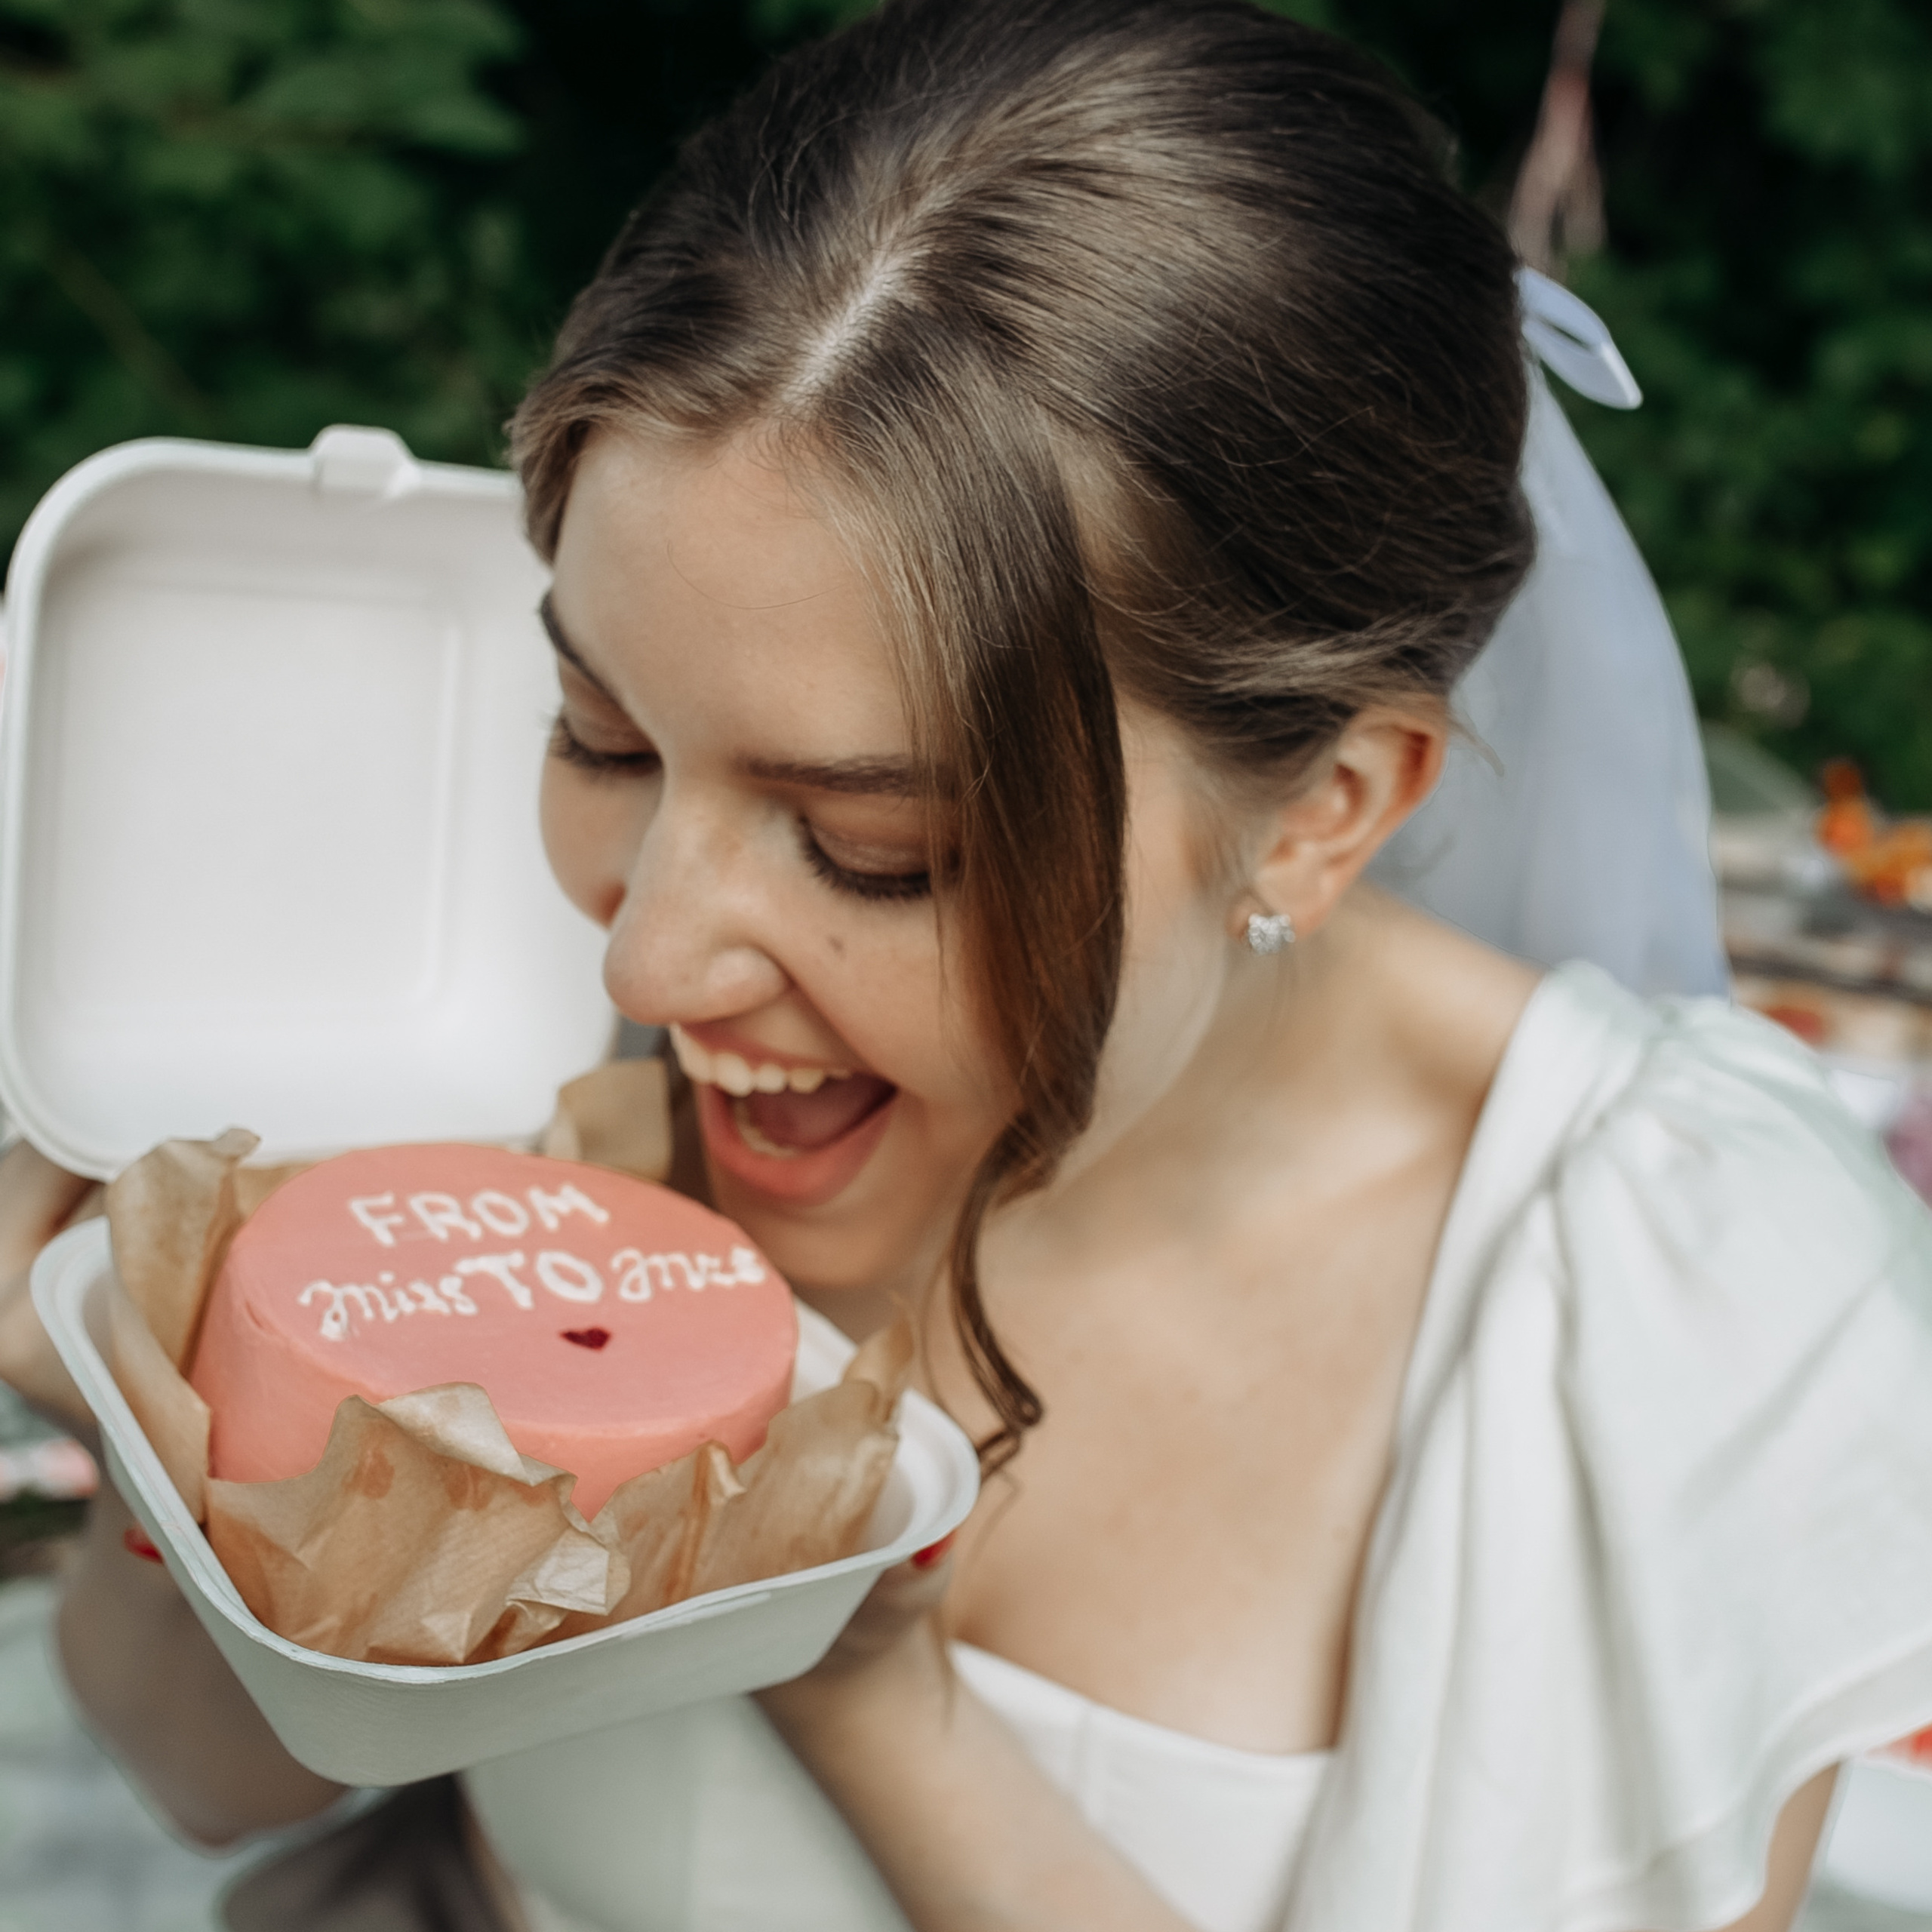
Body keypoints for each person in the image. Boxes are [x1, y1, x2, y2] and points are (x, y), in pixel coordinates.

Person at [6, 3, 1932, 1928]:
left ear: (1328, 804)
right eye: (601, 737)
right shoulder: (532, 1109)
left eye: (874, 850)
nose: (654, 959)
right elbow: (204, 1769)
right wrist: (183, 1424)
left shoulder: (1689, 1304)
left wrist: (874, 1698)